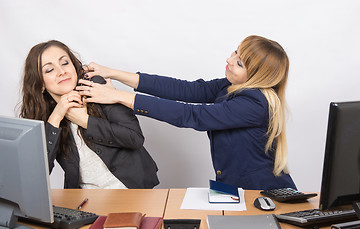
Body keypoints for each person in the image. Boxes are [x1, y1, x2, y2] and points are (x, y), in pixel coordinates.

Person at [77, 35, 297, 190]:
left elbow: (193, 115)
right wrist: (113, 73)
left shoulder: (255, 103)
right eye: (235, 52)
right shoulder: (230, 87)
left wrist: (117, 96)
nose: (229, 60)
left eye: (239, 63)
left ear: (256, 77)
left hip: (264, 194)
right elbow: (186, 89)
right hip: (236, 192)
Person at [20, 40, 159, 189]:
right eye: (49, 70)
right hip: (84, 202)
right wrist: (55, 118)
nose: (62, 71)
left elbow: (134, 137)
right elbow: (37, 175)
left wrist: (85, 121)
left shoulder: (97, 86)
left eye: (65, 63)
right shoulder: (45, 117)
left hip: (133, 191)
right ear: (40, 84)